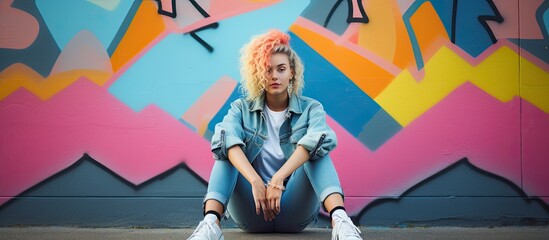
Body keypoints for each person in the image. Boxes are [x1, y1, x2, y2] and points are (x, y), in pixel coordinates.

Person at [187, 29, 362, 240]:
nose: (275, 76)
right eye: (268, 70)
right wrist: (256, 181)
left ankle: (341, 223)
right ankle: (210, 225)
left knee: (317, 148)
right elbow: (223, 138)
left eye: (281, 69)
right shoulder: (241, 108)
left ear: (292, 72)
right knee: (226, 149)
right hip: (252, 210)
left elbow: (321, 138)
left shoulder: (311, 109)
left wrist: (278, 179)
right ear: (259, 74)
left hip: (294, 211)